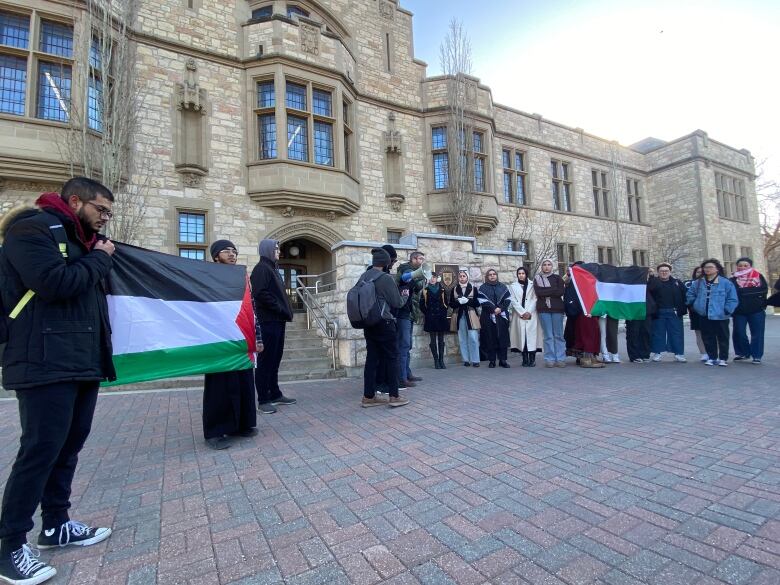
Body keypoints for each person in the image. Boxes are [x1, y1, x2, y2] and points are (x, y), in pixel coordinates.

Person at [0, 178, 116, 585]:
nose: (105, 219)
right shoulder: (30, 228)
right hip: (41, 360)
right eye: (101, 210)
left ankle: (56, 524)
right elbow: (53, 283)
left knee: (68, 446)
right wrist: (101, 259)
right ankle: (10, 545)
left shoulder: (83, 240)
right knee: (39, 450)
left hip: (81, 360)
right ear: (75, 201)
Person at [202, 240, 260, 450]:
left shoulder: (242, 277)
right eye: (226, 251)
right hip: (218, 340)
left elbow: (250, 309)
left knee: (243, 382)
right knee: (219, 387)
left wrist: (257, 338)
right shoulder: (208, 277)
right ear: (216, 256)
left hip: (241, 337)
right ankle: (215, 431)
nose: (232, 254)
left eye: (234, 251)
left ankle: (243, 424)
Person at [251, 239, 296, 414]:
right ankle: (263, 399)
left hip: (277, 321)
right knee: (265, 361)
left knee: (275, 359)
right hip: (268, 321)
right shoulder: (262, 268)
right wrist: (279, 308)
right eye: (276, 249)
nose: (278, 251)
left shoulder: (273, 269)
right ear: (267, 250)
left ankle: (275, 393)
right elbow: (260, 293)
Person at [360, 248, 408, 407]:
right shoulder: (385, 278)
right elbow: (397, 303)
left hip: (369, 324)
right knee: (391, 358)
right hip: (385, 323)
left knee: (372, 359)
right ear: (387, 263)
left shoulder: (364, 276)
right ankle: (394, 396)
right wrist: (405, 295)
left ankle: (368, 396)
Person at [686, 258, 738, 366]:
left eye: (710, 267)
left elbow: (732, 298)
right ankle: (712, 357)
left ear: (717, 269)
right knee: (707, 336)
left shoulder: (726, 283)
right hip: (704, 315)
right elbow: (690, 295)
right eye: (705, 267)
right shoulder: (698, 283)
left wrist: (727, 310)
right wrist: (695, 306)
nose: (707, 269)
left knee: (723, 337)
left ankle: (723, 358)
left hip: (721, 315)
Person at [395, 251, 426, 387]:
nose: (422, 261)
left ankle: (407, 373)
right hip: (403, 313)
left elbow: (418, 287)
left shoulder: (416, 270)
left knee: (408, 346)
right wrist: (418, 275)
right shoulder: (405, 268)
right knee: (404, 345)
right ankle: (402, 378)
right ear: (413, 259)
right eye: (420, 259)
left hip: (410, 313)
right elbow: (405, 277)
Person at [730, 257, 768, 364]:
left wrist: (743, 292)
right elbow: (731, 293)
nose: (742, 267)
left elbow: (763, 290)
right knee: (739, 332)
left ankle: (757, 355)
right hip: (739, 311)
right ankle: (743, 353)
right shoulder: (732, 278)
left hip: (756, 310)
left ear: (750, 266)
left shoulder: (758, 276)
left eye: (745, 265)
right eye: (740, 265)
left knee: (757, 333)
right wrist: (751, 292)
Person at [648, 263, 688, 363]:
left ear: (670, 272)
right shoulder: (654, 282)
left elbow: (685, 295)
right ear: (658, 272)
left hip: (674, 311)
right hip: (659, 312)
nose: (664, 272)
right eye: (662, 271)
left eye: (666, 271)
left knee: (676, 333)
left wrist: (684, 309)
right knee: (657, 333)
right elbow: (649, 292)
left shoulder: (677, 283)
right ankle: (657, 353)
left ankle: (679, 354)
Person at [534, 259, 567, 367]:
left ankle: (560, 358)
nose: (547, 267)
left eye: (549, 265)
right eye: (544, 265)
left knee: (558, 335)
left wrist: (546, 292)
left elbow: (560, 292)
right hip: (543, 309)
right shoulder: (537, 278)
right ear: (541, 266)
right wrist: (553, 290)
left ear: (552, 266)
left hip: (557, 309)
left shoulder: (557, 278)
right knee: (548, 335)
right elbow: (538, 292)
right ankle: (549, 358)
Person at [478, 268, 511, 368]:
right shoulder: (483, 288)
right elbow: (482, 301)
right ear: (487, 276)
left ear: (496, 275)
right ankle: (492, 360)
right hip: (488, 316)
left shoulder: (503, 287)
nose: (492, 276)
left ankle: (503, 360)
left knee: (502, 338)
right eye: (490, 275)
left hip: (501, 316)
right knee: (490, 338)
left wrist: (500, 309)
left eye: (494, 274)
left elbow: (508, 300)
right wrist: (493, 309)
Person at [509, 266, 540, 367]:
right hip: (519, 314)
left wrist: (528, 312)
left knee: (532, 337)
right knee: (522, 337)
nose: (521, 275)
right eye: (519, 274)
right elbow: (513, 300)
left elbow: (535, 299)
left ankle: (532, 359)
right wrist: (522, 312)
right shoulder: (513, 286)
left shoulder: (532, 285)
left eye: (523, 273)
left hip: (531, 314)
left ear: (526, 274)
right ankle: (524, 359)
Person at [449, 269, 480, 367]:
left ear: (467, 277)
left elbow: (477, 303)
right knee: (462, 338)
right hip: (459, 316)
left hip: (471, 315)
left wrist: (467, 301)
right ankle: (466, 360)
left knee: (473, 338)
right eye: (460, 276)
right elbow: (451, 304)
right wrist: (458, 302)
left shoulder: (473, 288)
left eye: (464, 276)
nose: (462, 278)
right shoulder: (454, 289)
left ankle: (475, 360)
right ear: (458, 278)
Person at [419, 273, 449, 369]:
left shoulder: (442, 290)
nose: (432, 279)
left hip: (440, 317)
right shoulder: (425, 291)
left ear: (437, 279)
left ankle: (441, 360)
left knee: (441, 339)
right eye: (430, 278)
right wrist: (427, 313)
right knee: (432, 340)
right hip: (431, 317)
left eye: (434, 277)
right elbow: (422, 305)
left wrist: (443, 312)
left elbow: (446, 303)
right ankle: (436, 360)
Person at [625, 272, 655, 363]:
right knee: (633, 333)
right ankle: (634, 355)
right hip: (633, 312)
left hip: (646, 311)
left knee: (646, 332)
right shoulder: (628, 285)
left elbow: (655, 287)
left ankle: (645, 354)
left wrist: (652, 276)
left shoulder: (648, 283)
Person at [685, 266, 708, 361]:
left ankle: (713, 352)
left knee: (711, 333)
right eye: (698, 272)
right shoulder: (688, 284)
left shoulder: (712, 283)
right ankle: (703, 353)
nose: (700, 274)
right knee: (699, 333)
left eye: (702, 272)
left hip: (710, 312)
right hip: (695, 312)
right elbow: (687, 297)